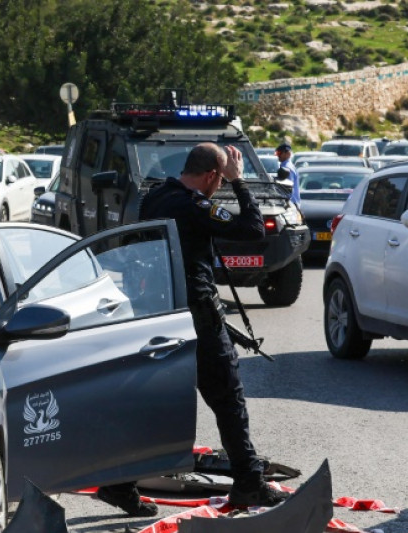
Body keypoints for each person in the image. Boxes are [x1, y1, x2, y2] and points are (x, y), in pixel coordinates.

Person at [123, 143, 289, 510]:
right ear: (213, 175)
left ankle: (118, 482)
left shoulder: (157, 196)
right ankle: (248, 483)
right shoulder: (193, 204)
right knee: (228, 399)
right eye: (220, 179)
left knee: (155, 402)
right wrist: (240, 181)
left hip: (160, 311)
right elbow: (252, 228)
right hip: (196, 314)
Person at [275, 143, 300, 208]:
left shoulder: (287, 168)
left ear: (287, 154)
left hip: (290, 205)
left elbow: (288, 189)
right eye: (277, 153)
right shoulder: (287, 165)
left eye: (280, 153)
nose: (278, 155)